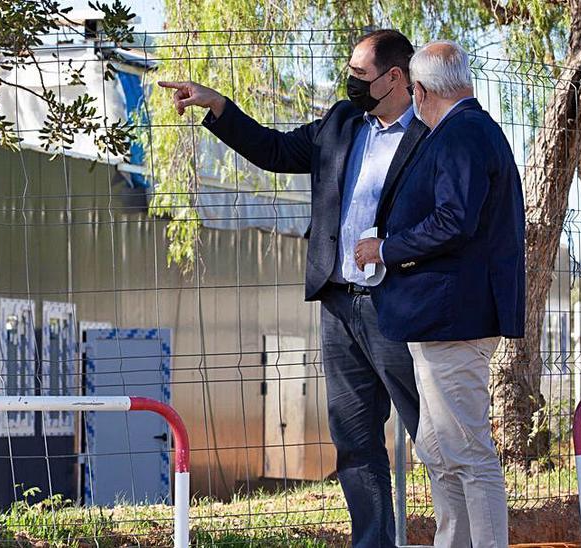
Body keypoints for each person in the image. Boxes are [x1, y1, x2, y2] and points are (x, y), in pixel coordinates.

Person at [160, 29, 426, 548]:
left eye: (360, 74)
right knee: (354, 440)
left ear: (395, 77)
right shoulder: (342, 123)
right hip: (340, 305)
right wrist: (217, 106)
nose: (349, 82)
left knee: (432, 435)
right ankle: (372, 541)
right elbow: (274, 150)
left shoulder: (431, 133)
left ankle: (461, 534)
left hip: (402, 306)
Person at [355, 39, 525, 548]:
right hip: (443, 321)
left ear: (422, 90)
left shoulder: (461, 134)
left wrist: (386, 248)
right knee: (437, 447)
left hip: (455, 321)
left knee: (467, 452)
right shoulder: (470, 131)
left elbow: (454, 221)